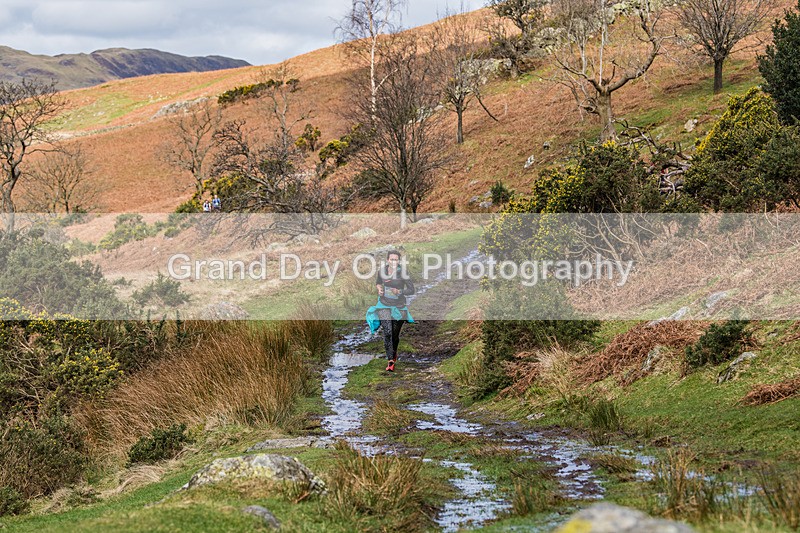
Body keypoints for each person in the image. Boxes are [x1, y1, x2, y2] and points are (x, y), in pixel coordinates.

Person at [365, 249, 415, 372]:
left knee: (394, 334)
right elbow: (378, 283)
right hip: (383, 304)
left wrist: (399, 292)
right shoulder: (382, 271)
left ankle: (394, 353)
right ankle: (390, 360)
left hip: (399, 306)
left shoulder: (403, 272)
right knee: (387, 332)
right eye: (391, 259)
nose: (393, 261)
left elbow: (411, 290)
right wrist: (379, 289)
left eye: (396, 259)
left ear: (399, 261)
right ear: (388, 260)